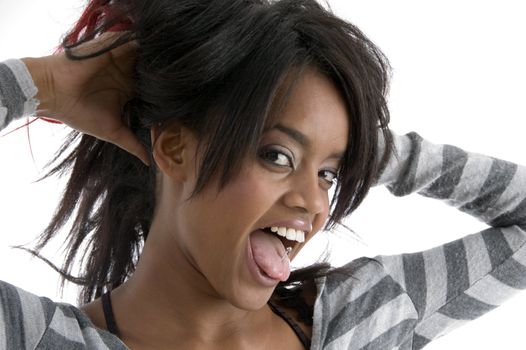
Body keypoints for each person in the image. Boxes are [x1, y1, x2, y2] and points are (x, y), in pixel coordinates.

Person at [1, 0, 525, 349]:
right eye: (277, 156)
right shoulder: (38, 337)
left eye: (328, 175)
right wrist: (41, 82)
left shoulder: (364, 317)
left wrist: (364, 151)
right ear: (175, 147)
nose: (314, 204)